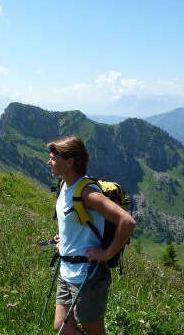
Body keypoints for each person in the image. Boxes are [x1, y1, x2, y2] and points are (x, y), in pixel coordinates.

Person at [46, 135, 136, 335]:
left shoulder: (87, 192)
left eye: (53, 158)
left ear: (69, 162)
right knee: (62, 327)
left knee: (92, 329)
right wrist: (65, 239)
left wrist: (106, 254)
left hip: (88, 274)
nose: (48, 162)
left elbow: (127, 222)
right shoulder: (64, 186)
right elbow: (77, 223)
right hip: (67, 269)